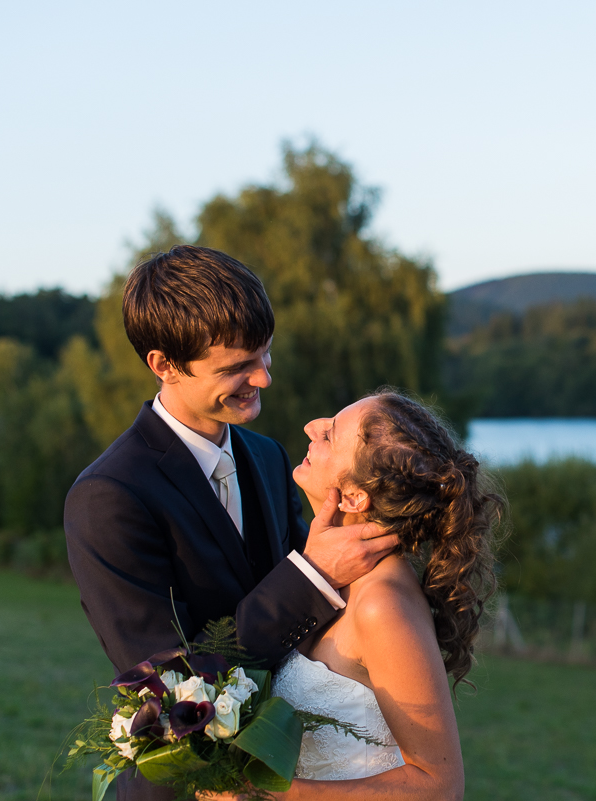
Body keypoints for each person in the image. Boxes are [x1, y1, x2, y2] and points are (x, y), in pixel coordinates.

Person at [64, 245, 398, 801]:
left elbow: (310, 633)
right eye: (236, 368)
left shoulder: (267, 457)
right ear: (164, 365)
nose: (262, 379)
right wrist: (312, 573)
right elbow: (176, 681)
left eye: (265, 355)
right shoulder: (108, 497)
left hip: (290, 773)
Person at [206, 389, 502, 800]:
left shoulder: (383, 603)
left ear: (354, 497)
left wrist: (269, 795)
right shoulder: (331, 578)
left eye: (329, 435)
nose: (312, 427)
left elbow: (440, 786)